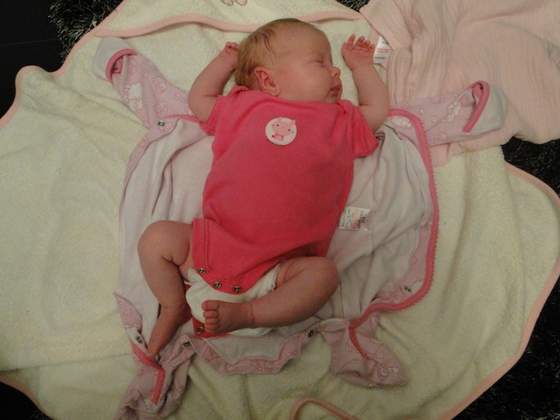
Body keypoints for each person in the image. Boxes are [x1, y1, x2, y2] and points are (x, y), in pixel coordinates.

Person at [137, 18, 389, 358]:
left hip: (283, 266)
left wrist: (363, 68)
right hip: (215, 242)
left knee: (324, 276)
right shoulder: (243, 106)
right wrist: (224, 63)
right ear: (268, 81)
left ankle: (250, 314)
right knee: (156, 239)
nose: (335, 72)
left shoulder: (340, 119)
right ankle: (172, 305)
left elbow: (377, 110)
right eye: (320, 63)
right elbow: (200, 99)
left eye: (335, 65)